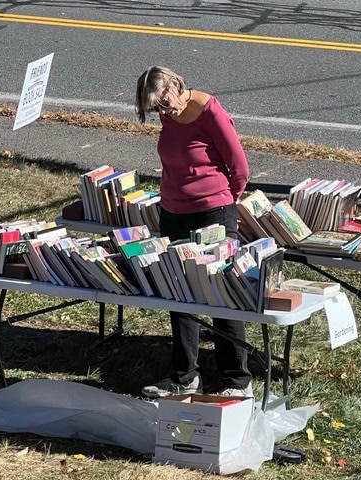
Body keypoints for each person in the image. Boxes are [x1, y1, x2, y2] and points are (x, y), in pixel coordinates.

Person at [135, 65, 253, 399]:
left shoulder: (210, 113)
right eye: (156, 108)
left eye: (164, 102)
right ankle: (185, 375)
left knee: (221, 292)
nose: (163, 111)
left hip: (214, 212)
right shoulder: (168, 115)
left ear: (174, 84)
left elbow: (239, 166)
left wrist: (225, 199)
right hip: (173, 213)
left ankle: (236, 379)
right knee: (180, 294)